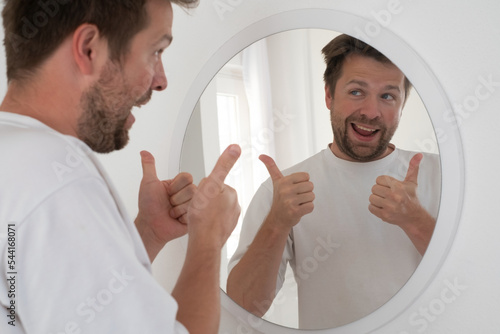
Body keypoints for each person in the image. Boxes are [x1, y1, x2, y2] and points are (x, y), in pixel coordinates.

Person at [0, 1, 241, 334]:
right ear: (89, 49)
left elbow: (28, 298)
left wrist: (148, 233)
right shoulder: (57, 183)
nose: (161, 81)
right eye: (156, 51)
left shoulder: (14, 154)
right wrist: (209, 237)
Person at [227, 34, 441, 329]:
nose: (370, 111)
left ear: (402, 105)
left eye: (388, 96)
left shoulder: (444, 176)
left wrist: (416, 221)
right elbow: (243, 305)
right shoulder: (282, 192)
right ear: (328, 95)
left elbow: (483, 275)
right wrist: (277, 222)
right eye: (356, 92)